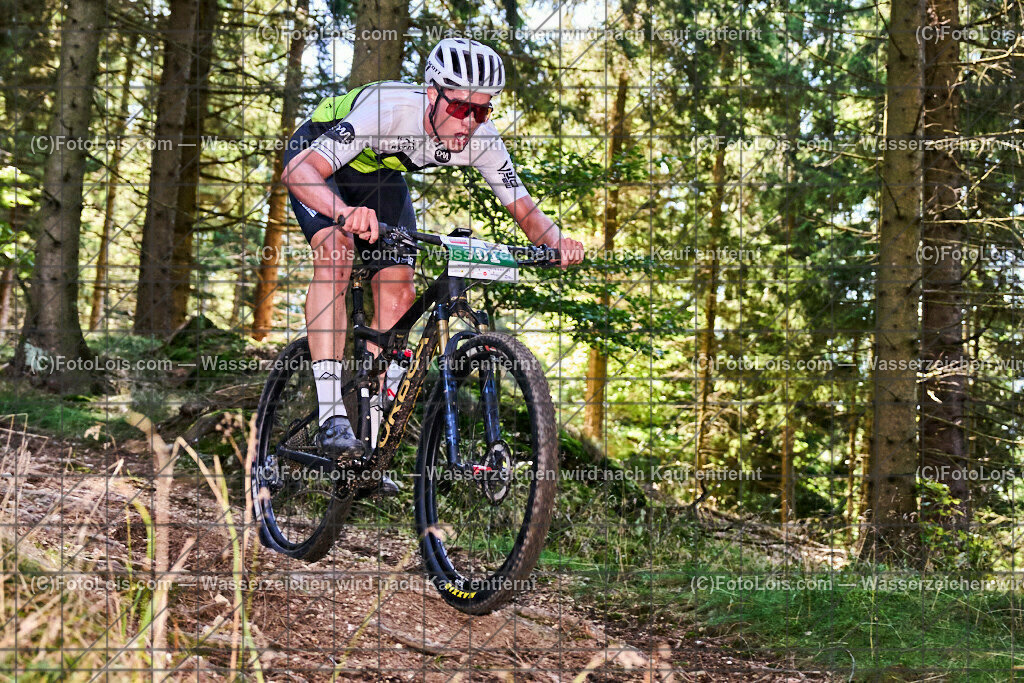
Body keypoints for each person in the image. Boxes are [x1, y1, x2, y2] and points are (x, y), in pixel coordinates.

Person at [281, 38, 585, 494]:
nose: (471, 121)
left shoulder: (481, 140)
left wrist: (558, 242)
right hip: (320, 159)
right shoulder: (387, 109)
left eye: (482, 110)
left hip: (380, 176)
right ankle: (330, 414)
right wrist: (344, 215)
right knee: (337, 254)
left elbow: (524, 210)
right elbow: (299, 173)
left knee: (401, 292)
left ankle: (370, 433)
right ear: (432, 94)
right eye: (462, 108)